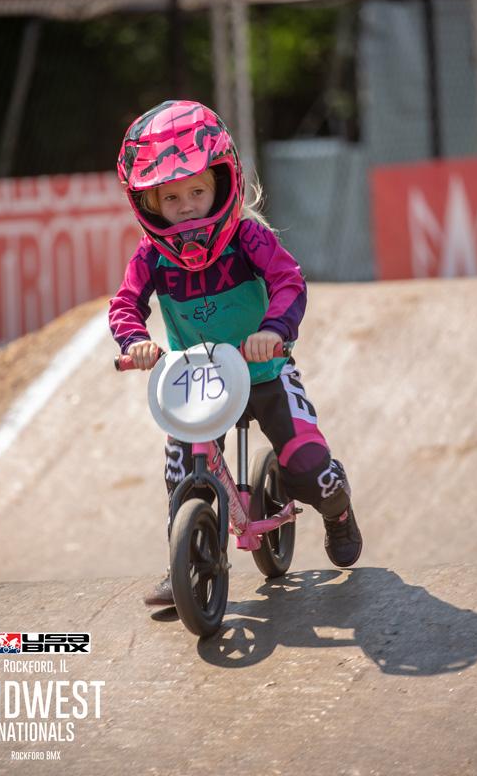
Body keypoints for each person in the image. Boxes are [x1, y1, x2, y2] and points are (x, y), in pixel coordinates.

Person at [109, 100, 362, 606]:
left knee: (309, 469)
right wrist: (135, 341)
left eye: (197, 191)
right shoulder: (151, 254)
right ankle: (187, 560)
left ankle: (337, 510)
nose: (186, 206)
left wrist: (274, 329)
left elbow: (288, 281)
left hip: (266, 371)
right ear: (149, 204)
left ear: (223, 184)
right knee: (184, 476)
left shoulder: (248, 236)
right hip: (197, 383)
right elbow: (125, 303)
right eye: (170, 197)